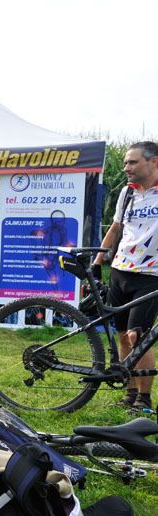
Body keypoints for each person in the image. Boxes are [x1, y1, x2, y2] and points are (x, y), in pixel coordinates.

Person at [93, 141, 158, 412]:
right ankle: (130, 393)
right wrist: (98, 263)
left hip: (151, 274)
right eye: (125, 163)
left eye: (132, 162)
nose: (126, 168)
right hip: (120, 271)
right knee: (122, 335)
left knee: (137, 336)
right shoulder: (127, 192)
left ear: (153, 162)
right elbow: (115, 228)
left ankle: (144, 398)